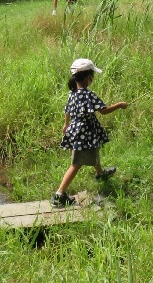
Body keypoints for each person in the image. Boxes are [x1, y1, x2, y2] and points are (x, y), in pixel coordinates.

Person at [52, 58, 129, 207]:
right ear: (89, 78)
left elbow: (67, 110)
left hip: (78, 131)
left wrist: (66, 125)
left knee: (94, 150)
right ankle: (59, 194)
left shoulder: (72, 93)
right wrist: (120, 105)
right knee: (76, 164)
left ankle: (100, 173)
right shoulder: (88, 95)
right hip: (85, 133)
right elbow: (104, 111)